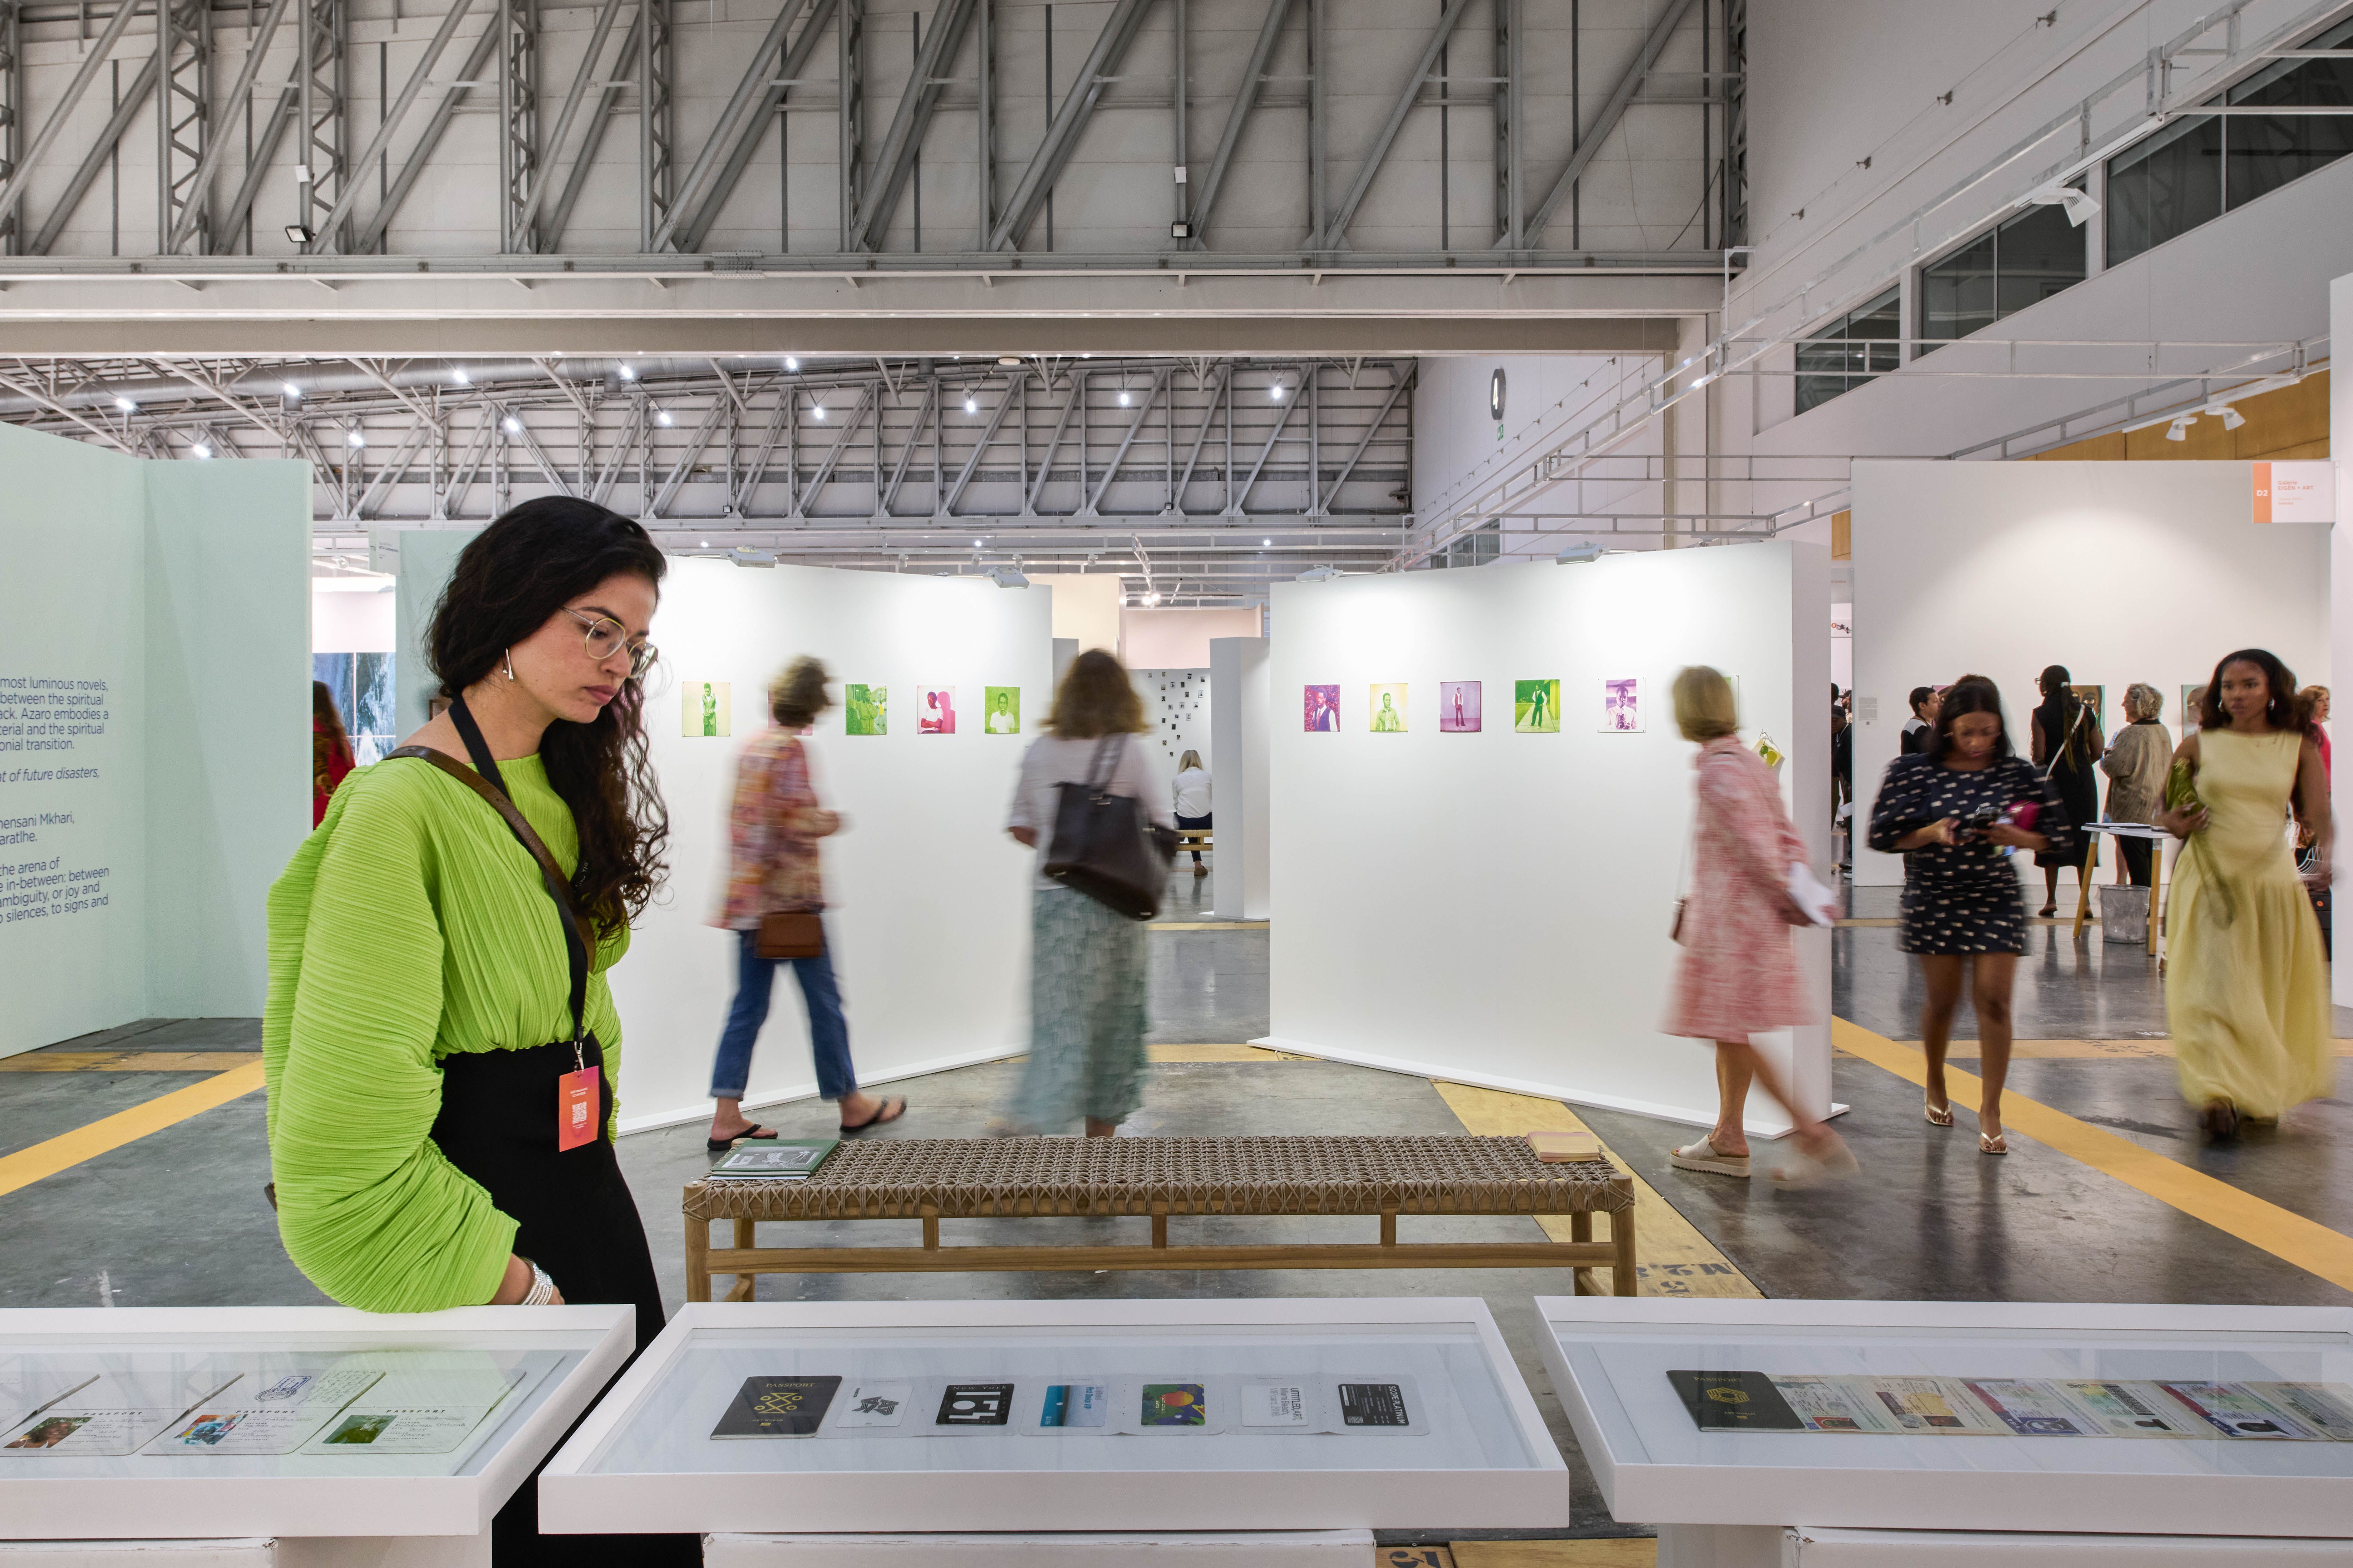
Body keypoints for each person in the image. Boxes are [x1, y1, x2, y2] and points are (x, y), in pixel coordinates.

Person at [263, 499, 693, 1566]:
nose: (616, 661)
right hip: (497, 1224)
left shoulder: (555, 782)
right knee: (548, 1519)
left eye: (633, 642)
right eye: (595, 626)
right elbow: (340, 1149)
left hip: (586, 1190)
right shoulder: (397, 812)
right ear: (508, 611)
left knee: (624, 1505)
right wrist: (518, 1284)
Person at [1662, 667, 1855, 1186]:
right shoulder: (1748, 762)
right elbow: (1786, 838)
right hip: (1751, 924)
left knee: (1726, 1028)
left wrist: (1780, 890)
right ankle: (1728, 1134)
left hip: (1730, 929)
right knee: (1730, 1030)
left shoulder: (1717, 772)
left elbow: (1754, 848)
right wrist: (1793, 894)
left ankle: (1811, 1133)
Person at [1867, 676, 2074, 1155]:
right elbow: (1882, 836)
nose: (1979, 743)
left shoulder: (2019, 774)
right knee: (1943, 1003)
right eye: (1967, 733)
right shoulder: (1913, 771)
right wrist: (1932, 832)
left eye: (1988, 731)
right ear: (1946, 727)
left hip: (1994, 896)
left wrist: (2019, 838)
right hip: (1935, 896)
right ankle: (1936, 1082)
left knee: (1995, 1001)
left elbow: (2060, 838)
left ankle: (1991, 1108)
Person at [706, 657, 905, 1154]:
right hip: (790, 905)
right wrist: (830, 821)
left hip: (748, 903)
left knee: (747, 1008)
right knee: (825, 1005)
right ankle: (851, 1104)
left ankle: (726, 1115)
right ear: (813, 705)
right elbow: (795, 822)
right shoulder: (790, 753)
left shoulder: (751, 749)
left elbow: (744, 822)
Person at [2154, 650, 2333, 1140]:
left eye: (2249, 684)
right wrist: (2177, 821)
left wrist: (2326, 859)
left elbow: (2318, 812)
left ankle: (2253, 1087)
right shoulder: (2198, 745)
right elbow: (2163, 812)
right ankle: (2217, 1092)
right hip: (2209, 882)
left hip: (2271, 883)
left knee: (2259, 989)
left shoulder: (2298, 747)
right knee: (2213, 988)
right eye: (2228, 686)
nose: (2237, 695)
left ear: (2273, 688)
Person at [1003, 649, 1172, 1137]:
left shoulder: (1039, 750)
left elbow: (1019, 826)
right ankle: (1098, 1155)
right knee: (1112, 1023)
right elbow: (1163, 823)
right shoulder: (1127, 750)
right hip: (1112, 906)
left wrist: (1066, 845)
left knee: (1059, 1018)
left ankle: (1033, 1116)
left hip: (1053, 903)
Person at [2030, 665, 2103, 918]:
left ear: (2045, 685)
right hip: (2083, 783)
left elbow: (2039, 755)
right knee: (2083, 840)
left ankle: (2051, 900)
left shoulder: (2040, 713)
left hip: (2053, 785)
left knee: (2051, 839)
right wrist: (2080, 766)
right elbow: (2098, 750)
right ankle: (2085, 904)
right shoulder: (2085, 712)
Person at [2099, 683, 2172, 886]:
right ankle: (2150, 904)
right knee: (2148, 859)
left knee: (2137, 863)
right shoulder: (2163, 731)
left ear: (2139, 703)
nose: (2123, 704)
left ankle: (2143, 906)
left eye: (2127, 700)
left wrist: (2105, 757)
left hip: (2131, 809)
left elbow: (2114, 767)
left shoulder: (2131, 734)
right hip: (2154, 807)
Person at [311, 680, 355, 827]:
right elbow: (352, 774)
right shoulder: (339, 737)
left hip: (314, 814)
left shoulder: (309, 735)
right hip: (339, 812)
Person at [1173, 749, 1212, 875]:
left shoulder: (1177, 779)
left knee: (1185, 818)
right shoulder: (1208, 777)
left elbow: (1176, 803)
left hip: (1185, 823)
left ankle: (1170, 862)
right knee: (1198, 818)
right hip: (1205, 821)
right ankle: (1198, 866)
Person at [1899, 687, 1939, 755]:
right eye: (1936, 702)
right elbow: (1932, 759)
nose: (1940, 705)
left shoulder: (1915, 725)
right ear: (1922, 706)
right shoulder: (1921, 729)